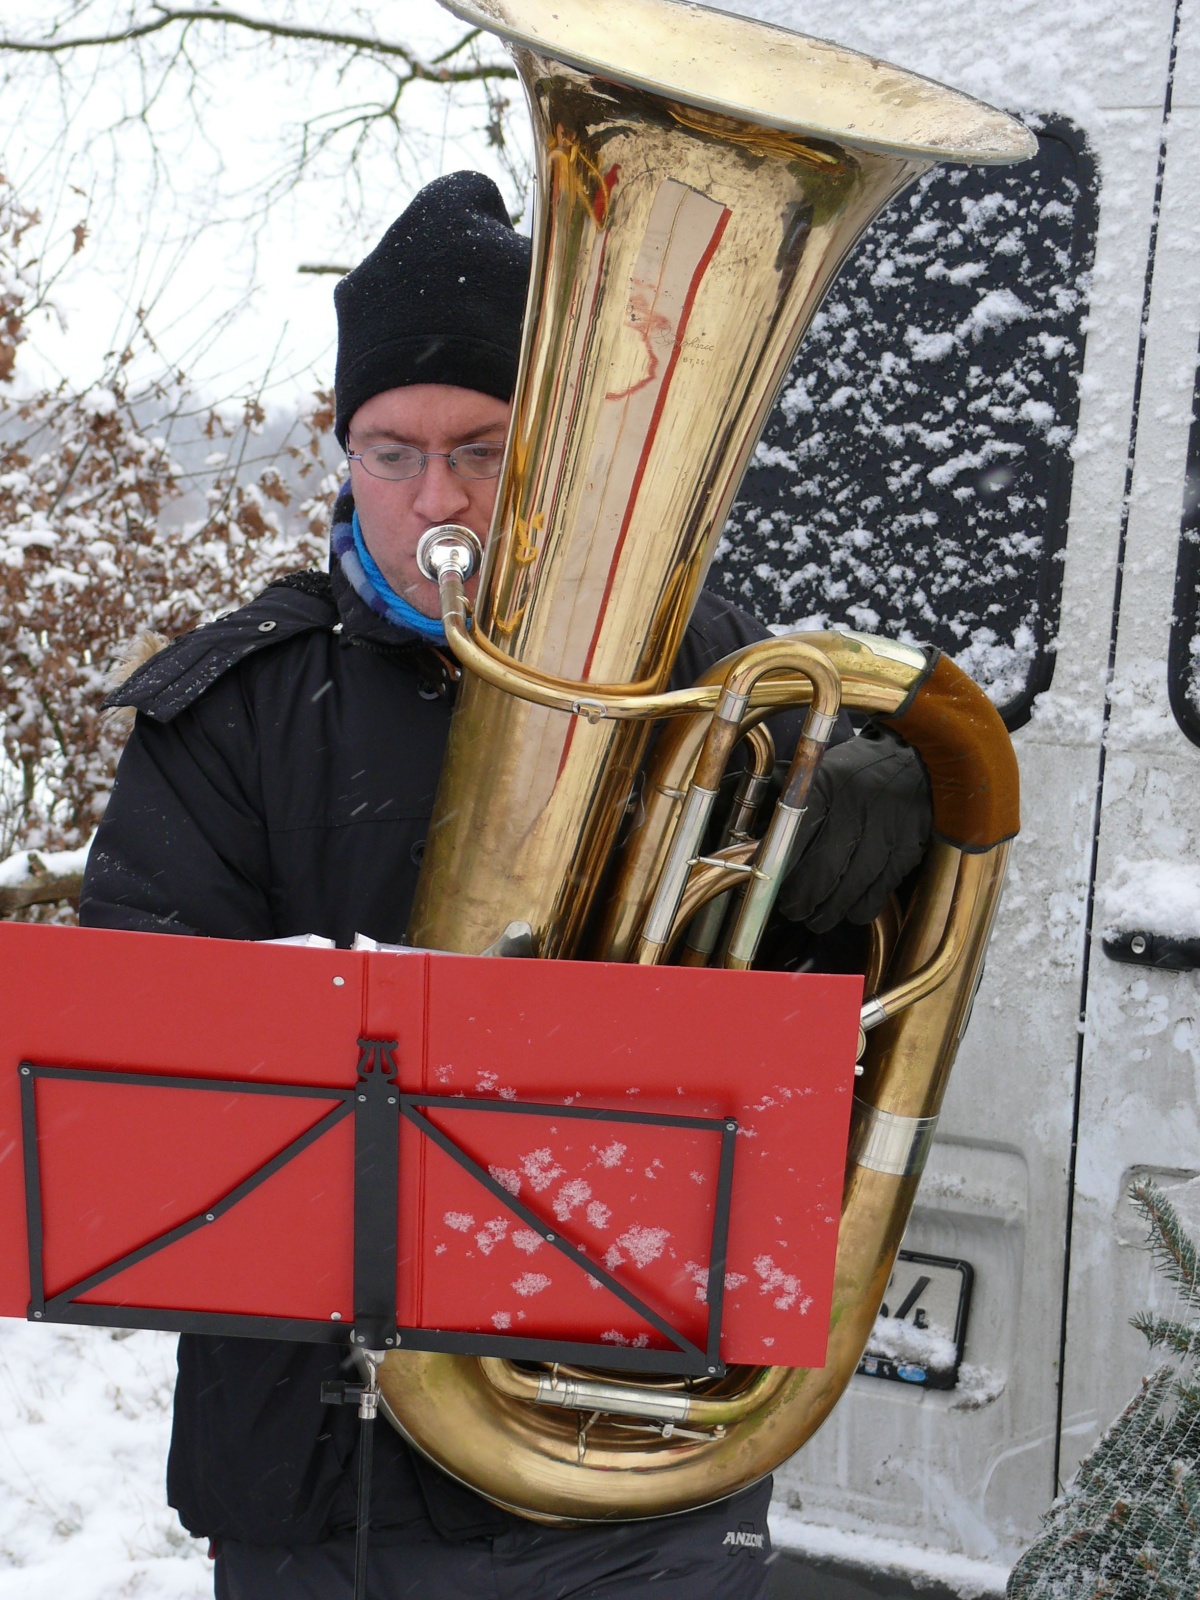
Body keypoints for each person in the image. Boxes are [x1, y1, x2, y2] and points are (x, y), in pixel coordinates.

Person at [80, 172, 931, 1600]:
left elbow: (815, 1031)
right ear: (342, 456)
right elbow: (145, 1091)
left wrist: (869, 838)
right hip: (322, 1481)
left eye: (481, 446)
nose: (439, 499)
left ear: (548, 452)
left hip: (639, 1460)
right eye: (392, 451)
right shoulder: (234, 710)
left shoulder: (712, 677)